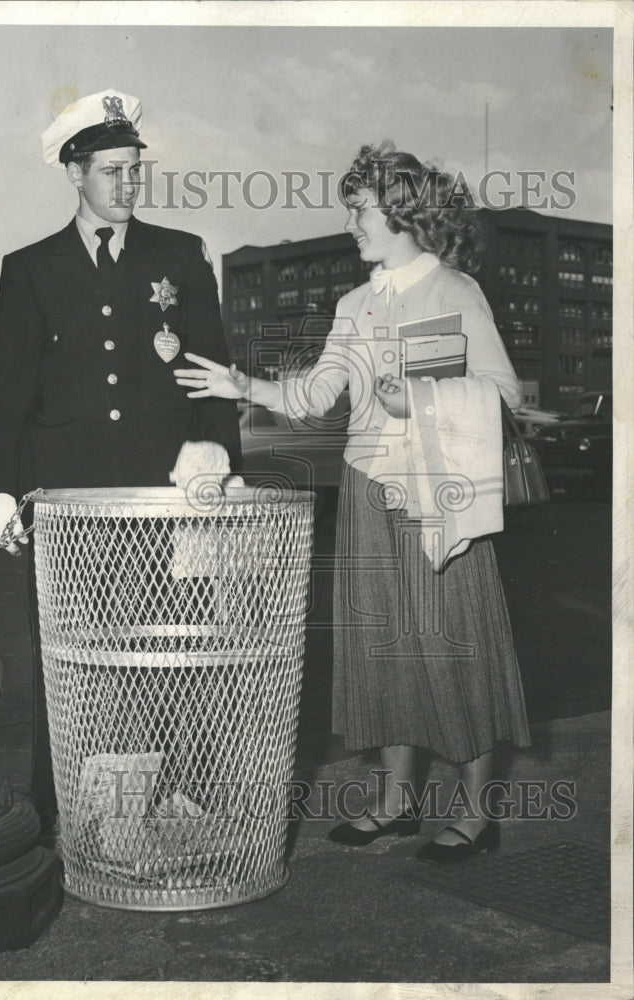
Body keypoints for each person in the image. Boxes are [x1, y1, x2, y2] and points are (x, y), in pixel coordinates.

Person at [174, 140, 530, 863]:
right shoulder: (354, 303)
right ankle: (396, 803)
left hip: (440, 495)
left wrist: (422, 397)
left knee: (452, 646)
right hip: (369, 489)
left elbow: (504, 395)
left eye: (359, 209)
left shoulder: (456, 292)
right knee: (383, 652)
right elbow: (311, 397)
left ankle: (474, 812)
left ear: (400, 215)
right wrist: (242, 387)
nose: (350, 222)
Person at [0, 89, 242, 832]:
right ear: (74, 172)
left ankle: (176, 799)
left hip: (165, 493)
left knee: (171, 651)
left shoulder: (179, 255)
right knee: (71, 656)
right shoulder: (29, 268)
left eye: (136, 170)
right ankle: (63, 808)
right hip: (68, 497)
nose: (128, 185)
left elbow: (209, 366)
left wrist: (213, 440)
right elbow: (12, 390)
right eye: (111, 172)